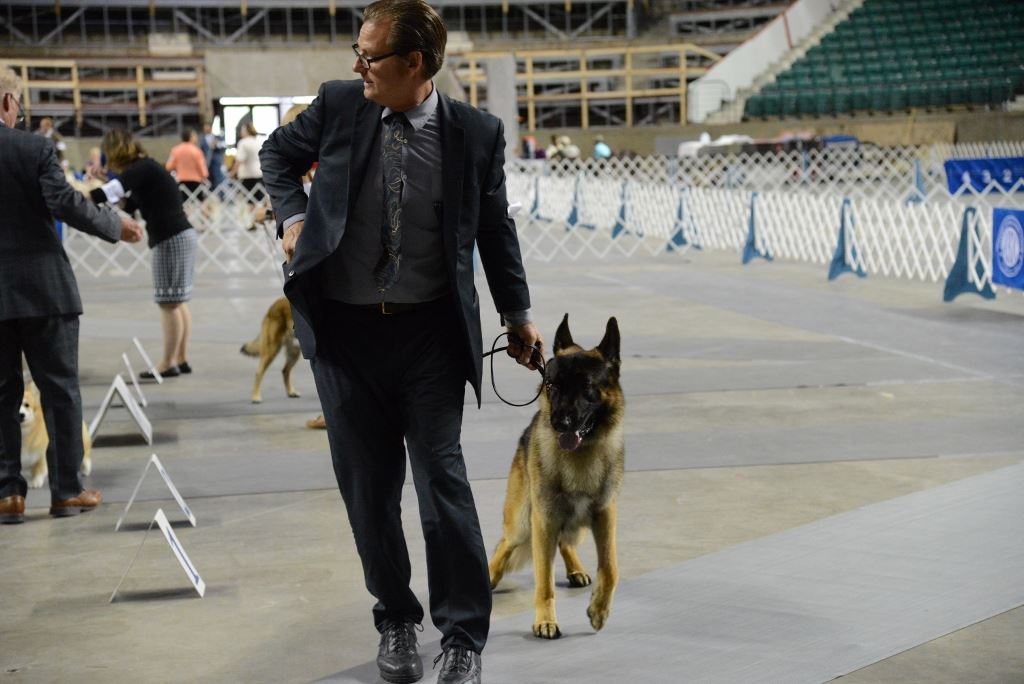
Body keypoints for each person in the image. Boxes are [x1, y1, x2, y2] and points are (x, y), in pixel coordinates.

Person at [259, 2, 543, 682]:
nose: (357, 66)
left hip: (430, 337)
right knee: (368, 492)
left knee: (441, 484)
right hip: (346, 335)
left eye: (370, 56)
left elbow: (496, 229)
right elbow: (276, 155)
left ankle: (463, 636)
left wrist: (518, 312)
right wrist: (293, 216)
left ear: (413, 64)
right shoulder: (337, 106)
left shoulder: (475, 133)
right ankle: (396, 619)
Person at [0, 68, 143, 524]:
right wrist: (113, 225)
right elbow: (63, 201)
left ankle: (7, 493)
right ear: (8, 102)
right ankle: (66, 490)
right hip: (45, 290)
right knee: (60, 390)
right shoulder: (33, 147)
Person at [91, 129, 198, 378]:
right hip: (180, 235)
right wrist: (104, 182)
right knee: (177, 301)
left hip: (170, 238)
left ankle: (167, 363)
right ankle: (180, 358)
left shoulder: (139, 170)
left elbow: (109, 193)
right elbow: (130, 204)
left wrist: (76, 196)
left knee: (168, 303)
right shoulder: (146, 168)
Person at [165, 128, 209, 203]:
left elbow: (168, 166)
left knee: (183, 203)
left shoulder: (175, 150)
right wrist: (205, 176)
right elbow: (203, 169)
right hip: (196, 182)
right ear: (191, 137)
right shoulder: (197, 151)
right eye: (195, 135)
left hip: (181, 182)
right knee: (199, 204)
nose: (196, 137)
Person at [202, 123, 227, 190]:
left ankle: (221, 195)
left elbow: (224, 145)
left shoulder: (217, 137)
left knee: (218, 178)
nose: (206, 129)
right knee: (209, 180)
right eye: (205, 128)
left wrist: (216, 144)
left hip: (217, 162)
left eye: (207, 127)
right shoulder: (202, 140)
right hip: (207, 163)